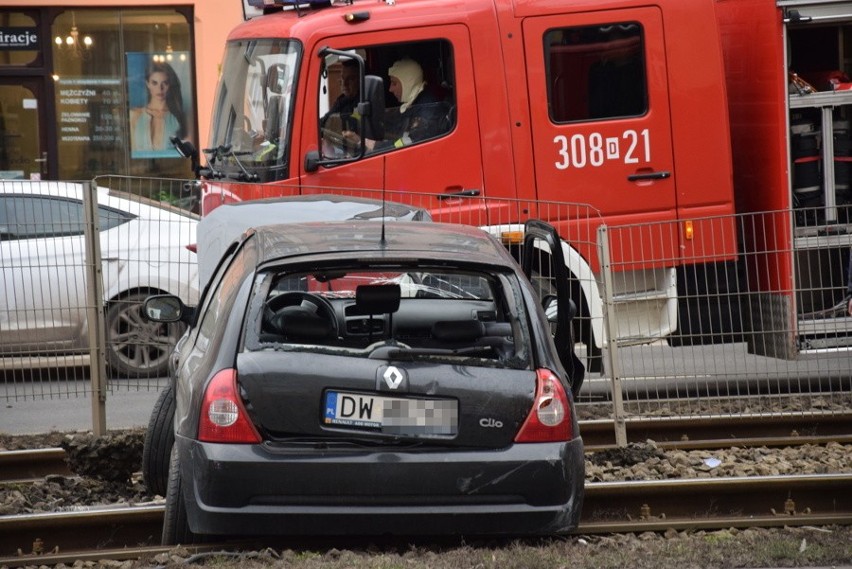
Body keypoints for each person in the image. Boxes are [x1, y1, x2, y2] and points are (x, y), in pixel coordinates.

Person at [345, 57, 444, 151]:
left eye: (394, 83)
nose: (390, 89)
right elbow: (390, 123)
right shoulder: (411, 103)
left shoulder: (427, 108)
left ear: (408, 82)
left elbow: (409, 142)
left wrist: (376, 146)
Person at [129, 60, 187, 154]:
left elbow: (187, 154)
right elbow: (132, 151)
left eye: (165, 83)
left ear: (170, 85)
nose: (160, 88)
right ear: (147, 84)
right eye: (154, 83)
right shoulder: (134, 115)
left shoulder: (179, 117)